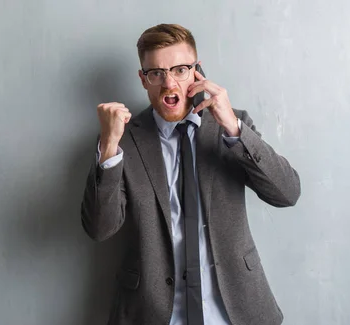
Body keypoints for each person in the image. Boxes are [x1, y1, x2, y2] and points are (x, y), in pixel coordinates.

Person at [80, 24, 301, 325]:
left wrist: (234, 129)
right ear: (143, 79)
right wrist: (108, 147)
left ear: (198, 71)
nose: (169, 83)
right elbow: (99, 228)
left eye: (180, 70)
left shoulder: (232, 125)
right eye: (156, 73)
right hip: (152, 312)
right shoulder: (121, 140)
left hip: (235, 310)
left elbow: (287, 193)